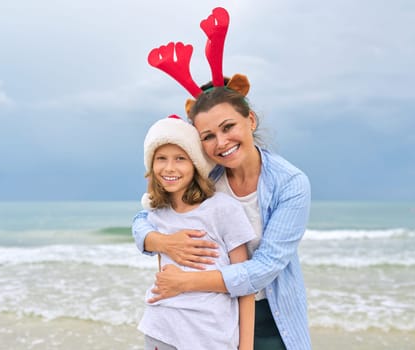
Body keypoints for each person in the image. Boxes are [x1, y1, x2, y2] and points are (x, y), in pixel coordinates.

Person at [133, 82, 312, 350]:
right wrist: (161, 242)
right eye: (208, 136)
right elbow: (147, 215)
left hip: (272, 314)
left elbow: (263, 268)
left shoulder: (290, 184)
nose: (221, 143)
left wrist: (185, 282)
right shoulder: (205, 176)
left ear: (250, 120)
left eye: (228, 127)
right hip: (212, 317)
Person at [137, 115, 256, 350]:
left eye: (180, 158)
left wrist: (246, 347)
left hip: (211, 337)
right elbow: (161, 265)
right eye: (161, 158)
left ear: (195, 164)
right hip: (161, 331)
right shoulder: (157, 212)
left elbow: (246, 281)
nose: (169, 168)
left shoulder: (223, 208)